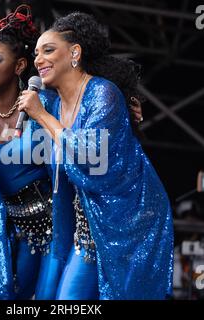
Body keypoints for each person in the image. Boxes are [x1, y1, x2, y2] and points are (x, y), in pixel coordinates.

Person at [0, 5, 143, 300]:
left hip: (55, 226)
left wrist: (123, 103)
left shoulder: (44, 102)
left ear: (18, 66)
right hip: (6, 228)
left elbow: (83, 111)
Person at [18, 12, 174, 300]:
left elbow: (90, 154)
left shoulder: (103, 93)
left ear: (75, 52)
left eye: (48, 50)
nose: (38, 59)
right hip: (87, 226)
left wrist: (40, 116)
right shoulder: (52, 102)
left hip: (128, 220)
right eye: (37, 52)